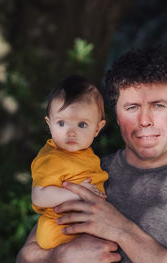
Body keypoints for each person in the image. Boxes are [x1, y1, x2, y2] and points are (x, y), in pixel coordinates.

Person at [17, 46, 167, 263]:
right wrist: (60, 256)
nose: (145, 120)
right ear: (117, 116)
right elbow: (25, 257)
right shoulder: (88, 171)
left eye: (158, 106)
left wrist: (120, 229)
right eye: (131, 107)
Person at [30, 74, 107, 249]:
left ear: (97, 128)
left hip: (81, 228)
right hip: (60, 233)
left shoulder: (85, 153)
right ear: (49, 124)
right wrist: (77, 193)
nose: (71, 132)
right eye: (62, 123)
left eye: (81, 125)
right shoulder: (52, 158)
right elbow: (39, 196)